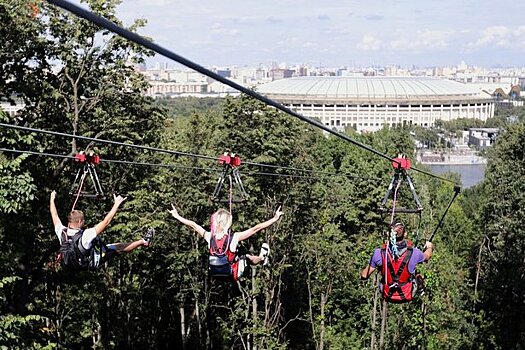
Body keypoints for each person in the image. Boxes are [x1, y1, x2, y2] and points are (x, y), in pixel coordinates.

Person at [168, 205, 283, 282]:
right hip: (232, 274)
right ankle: (262, 258)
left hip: (215, 274)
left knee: (239, 253)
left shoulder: (209, 237)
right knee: (245, 255)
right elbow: (255, 229)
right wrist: (274, 218)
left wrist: (177, 215)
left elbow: (193, 225)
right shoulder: (234, 237)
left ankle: (260, 258)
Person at [50, 190, 155, 269]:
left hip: (69, 265)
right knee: (117, 247)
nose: (84, 222)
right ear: (79, 222)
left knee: (110, 246)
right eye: (83, 221)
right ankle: (143, 241)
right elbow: (106, 222)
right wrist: (116, 204)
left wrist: (52, 199)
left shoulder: (61, 232)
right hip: (87, 263)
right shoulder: (86, 235)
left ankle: (143, 241)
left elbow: (54, 215)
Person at [360, 222, 433, 303]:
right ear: (405, 234)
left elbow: (364, 275)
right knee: (417, 273)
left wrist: (379, 265)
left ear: (389, 234)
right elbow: (427, 256)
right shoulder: (414, 253)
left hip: (387, 294)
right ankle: (420, 289)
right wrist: (429, 246)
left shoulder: (379, 253)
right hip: (407, 293)